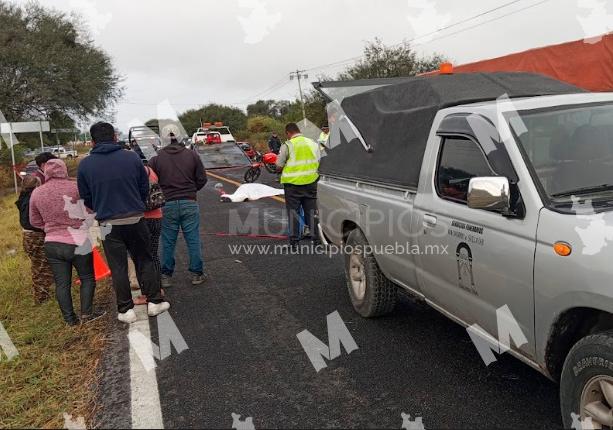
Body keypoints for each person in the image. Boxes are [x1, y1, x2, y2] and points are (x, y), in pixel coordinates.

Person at [77, 122, 169, 324]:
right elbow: (144, 188)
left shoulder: (85, 165)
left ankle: (125, 310)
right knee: (144, 260)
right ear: (115, 137)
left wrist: (101, 206)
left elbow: (86, 197)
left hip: (107, 223)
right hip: (135, 217)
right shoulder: (132, 158)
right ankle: (155, 301)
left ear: (92, 141)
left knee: (118, 267)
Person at [29, 159, 101, 325]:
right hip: (78, 240)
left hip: (52, 243)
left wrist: (50, 228)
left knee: (62, 283)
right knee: (87, 278)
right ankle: (87, 315)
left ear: (45, 172)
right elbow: (90, 210)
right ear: (64, 170)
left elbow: (34, 221)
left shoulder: (37, 193)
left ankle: (70, 320)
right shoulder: (75, 188)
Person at [149, 132, 207, 288]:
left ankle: (166, 276)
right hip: (189, 201)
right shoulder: (192, 155)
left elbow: (151, 183)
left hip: (167, 204)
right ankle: (197, 274)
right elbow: (202, 178)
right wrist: (191, 191)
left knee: (168, 241)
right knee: (193, 239)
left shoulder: (156, 159)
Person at [275, 123, 321, 248]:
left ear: (288, 133)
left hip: (293, 185)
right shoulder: (312, 143)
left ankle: (294, 243)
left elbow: (279, 165)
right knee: (311, 212)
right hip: (311, 183)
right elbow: (319, 161)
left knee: (293, 213)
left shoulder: (288, 145)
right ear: (299, 131)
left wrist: (280, 169)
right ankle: (317, 242)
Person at [15, 175, 55, 304]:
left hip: (28, 237)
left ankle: (44, 293)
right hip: (36, 236)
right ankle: (41, 298)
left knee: (38, 265)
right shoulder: (32, 199)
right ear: (36, 185)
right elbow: (32, 221)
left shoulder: (23, 197)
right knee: (42, 266)